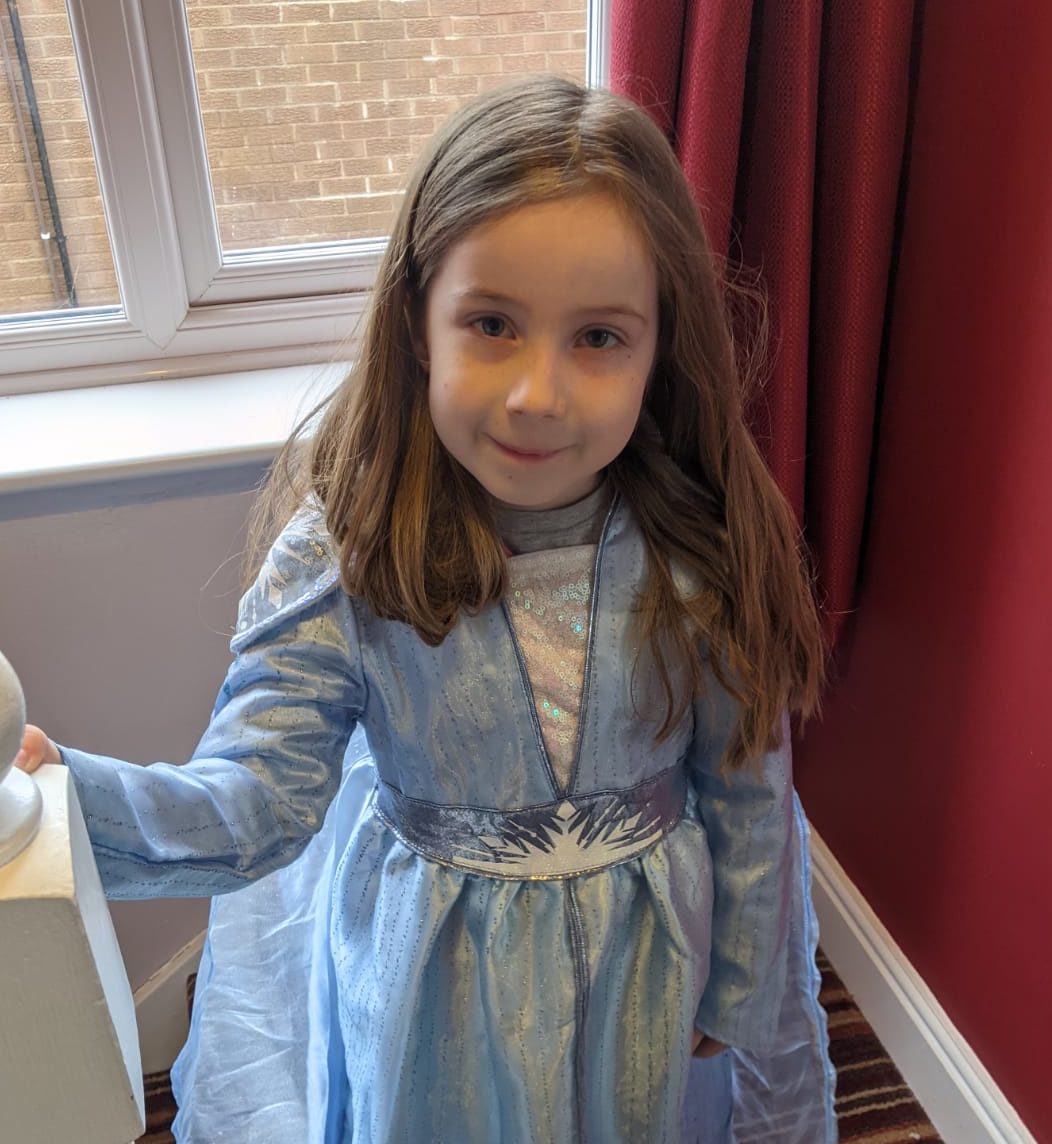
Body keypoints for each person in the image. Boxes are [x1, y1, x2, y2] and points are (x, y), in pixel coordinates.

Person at [16, 75, 837, 1143]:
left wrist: (733, 989)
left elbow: (744, 794)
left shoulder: (697, 544)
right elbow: (253, 801)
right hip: (440, 995)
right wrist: (66, 797)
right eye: (492, 323)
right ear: (418, 324)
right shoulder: (350, 553)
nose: (537, 393)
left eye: (597, 337)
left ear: (658, 346)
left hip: (648, 978)